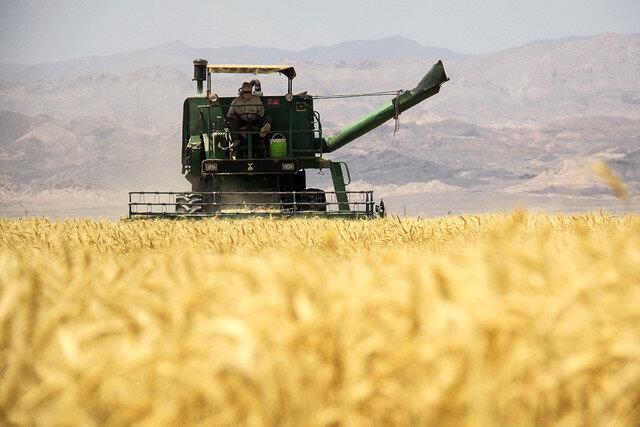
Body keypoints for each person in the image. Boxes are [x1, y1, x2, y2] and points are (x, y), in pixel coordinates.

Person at [226, 82, 271, 148]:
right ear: (242, 92)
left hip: (255, 120)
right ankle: (236, 139)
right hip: (242, 121)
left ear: (251, 91)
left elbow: (262, 110)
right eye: (245, 92)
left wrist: (258, 116)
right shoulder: (236, 101)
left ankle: (262, 134)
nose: (247, 93)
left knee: (268, 118)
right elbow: (229, 114)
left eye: (249, 92)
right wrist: (229, 119)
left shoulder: (256, 99)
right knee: (233, 118)